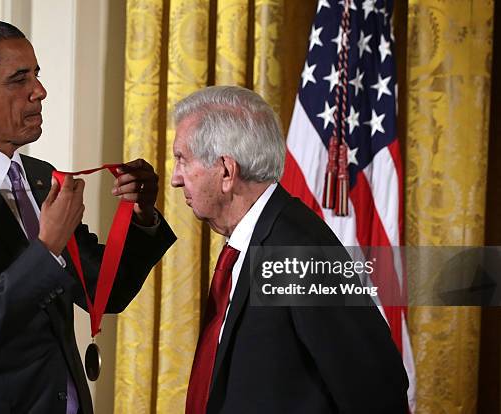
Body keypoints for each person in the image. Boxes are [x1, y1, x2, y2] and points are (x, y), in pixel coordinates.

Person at [0, 20, 175, 414]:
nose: (39, 92)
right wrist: (46, 249)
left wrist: (142, 217)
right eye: (19, 79)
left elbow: (104, 292)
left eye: (37, 75)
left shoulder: (41, 177)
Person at [171, 85, 408, 413]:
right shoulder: (252, 243)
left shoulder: (298, 250)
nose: (175, 178)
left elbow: (377, 391)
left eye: (183, 160)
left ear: (226, 170)